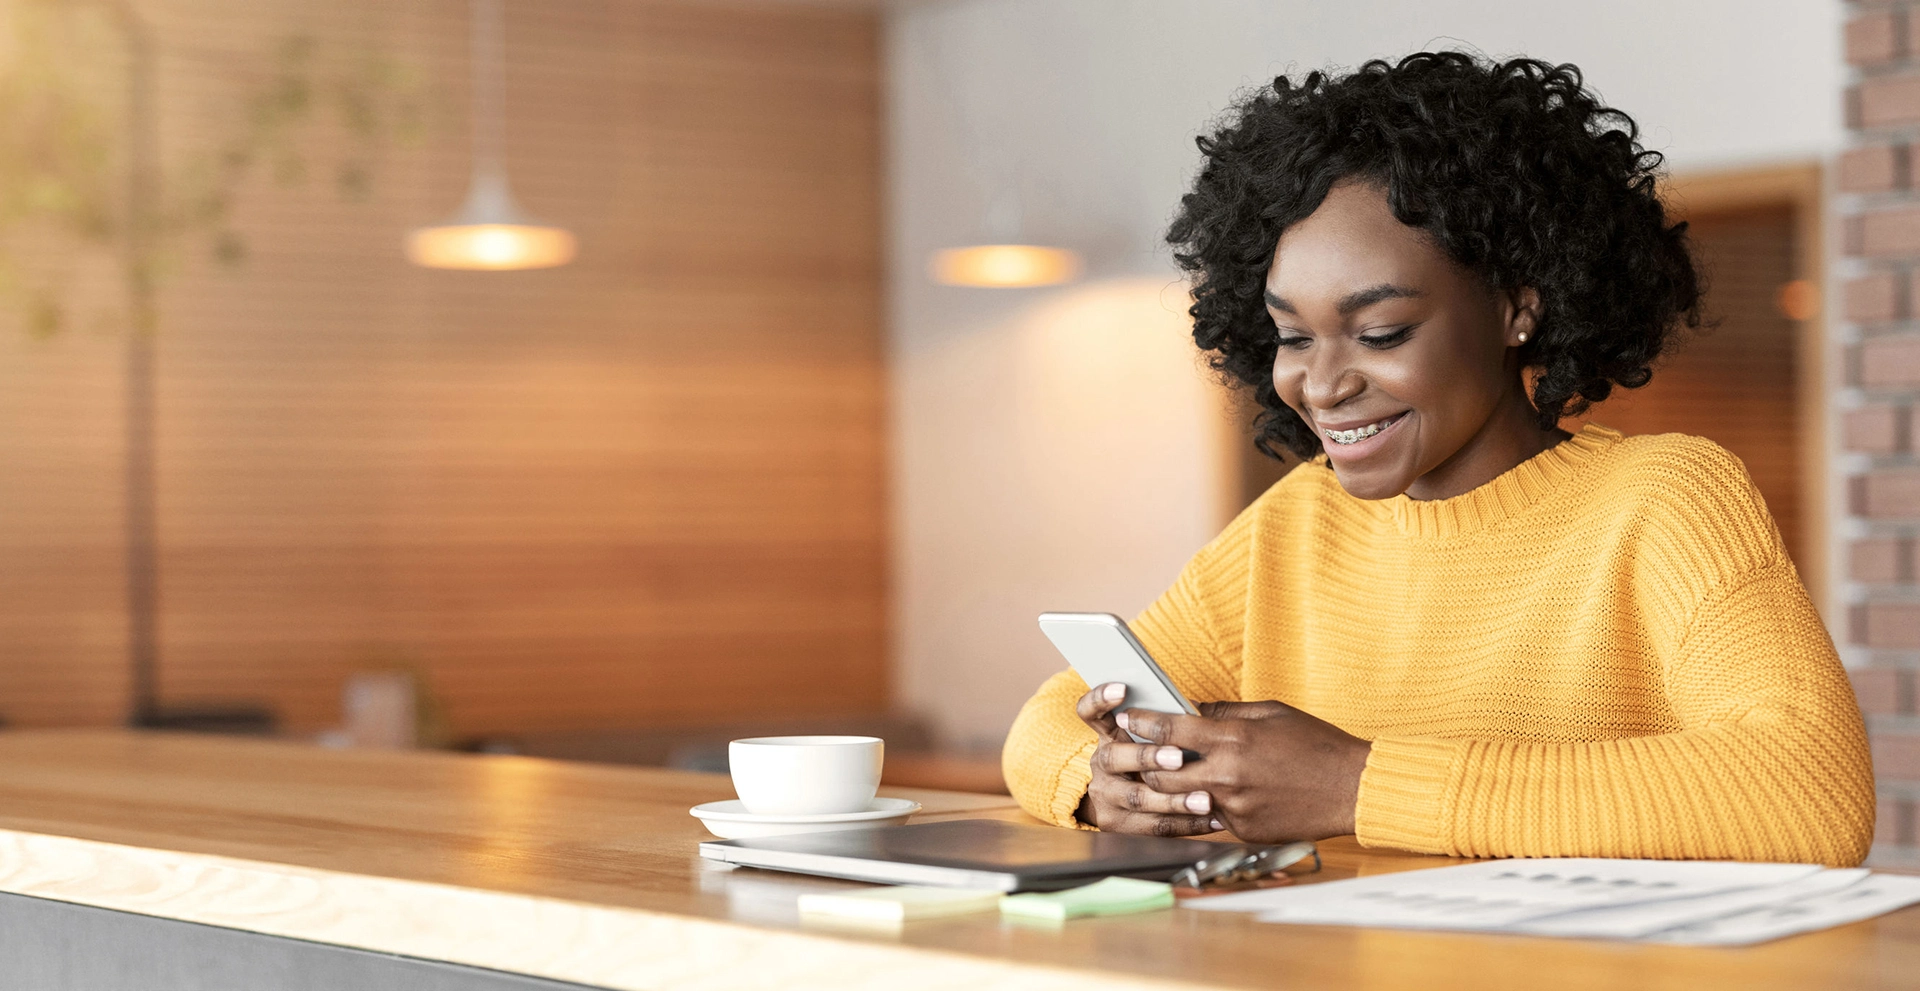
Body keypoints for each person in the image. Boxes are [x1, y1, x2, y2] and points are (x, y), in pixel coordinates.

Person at [1000, 52, 1874, 867]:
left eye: (1380, 332)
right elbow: (1045, 722)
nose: (1324, 383)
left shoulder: (1661, 501)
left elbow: (1811, 792)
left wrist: (1355, 783)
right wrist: (1096, 782)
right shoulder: (1295, 527)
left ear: (1516, 308)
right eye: (1294, 336)